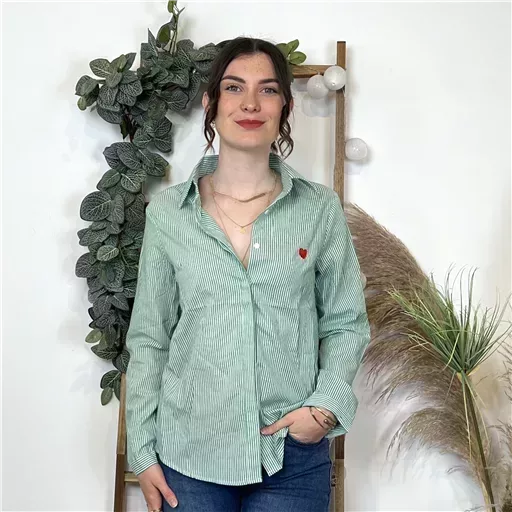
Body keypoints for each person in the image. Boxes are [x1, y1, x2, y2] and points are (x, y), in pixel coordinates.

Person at [125, 36, 371, 512]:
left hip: (291, 458)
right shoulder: (169, 214)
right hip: (187, 456)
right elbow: (150, 337)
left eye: (268, 89)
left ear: (285, 106)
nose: (251, 103)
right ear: (211, 104)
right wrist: (142, 449)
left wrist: (324, 409)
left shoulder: (319, 209)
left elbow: (346, 322)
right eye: (234, 88)